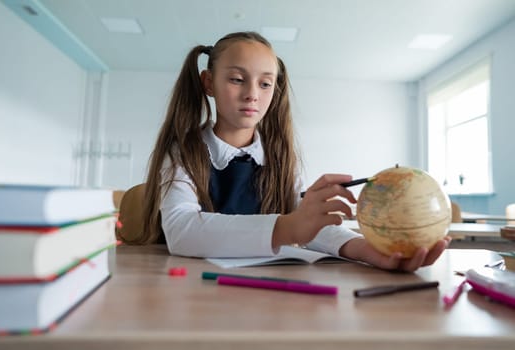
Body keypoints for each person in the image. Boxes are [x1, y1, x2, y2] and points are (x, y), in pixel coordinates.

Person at [136, 31, 449, 272]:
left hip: (265, 293)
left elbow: (310, 229)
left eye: (265, 84)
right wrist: (288, 226)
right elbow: (182, 231)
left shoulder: (281, 157)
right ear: (208, 83)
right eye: (236, 79)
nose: (251, 94)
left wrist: (369, 252)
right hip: (190, 290)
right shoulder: (183, 151)